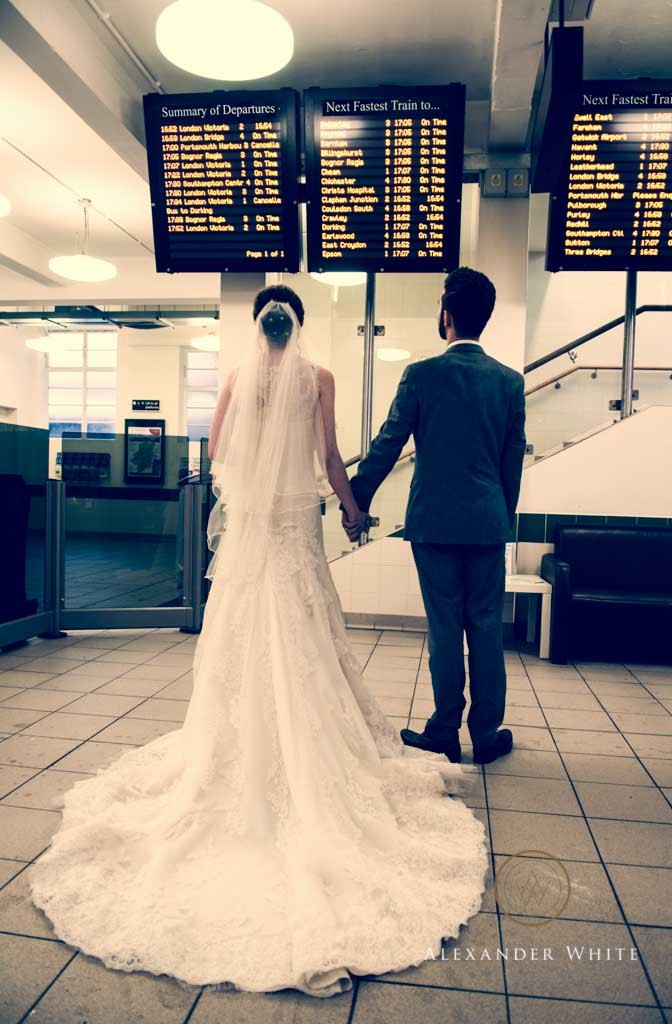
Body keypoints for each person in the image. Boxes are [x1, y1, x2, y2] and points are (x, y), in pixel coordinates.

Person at [28, 284, 488, 999]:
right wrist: (353, 509)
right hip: (296, 526)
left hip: (252, 530)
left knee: (243, 636)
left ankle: (232, 746)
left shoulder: (240, 379)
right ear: (298, 325)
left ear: (257, 326)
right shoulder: (320, 378)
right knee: (306, 634)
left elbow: (219, 451)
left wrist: (251, 486)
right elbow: (330, 458)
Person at [347, 268, 526, 766]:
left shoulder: (421, 375)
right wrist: (500, 517)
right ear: (484, 318)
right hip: (488, 524)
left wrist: (357, 500)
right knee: (486, 627)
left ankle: (444, 729)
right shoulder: (510, 383)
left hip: (434, 523)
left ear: (446, 314)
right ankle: (486, 735)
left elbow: (388, 443)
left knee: (445, 627)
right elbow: (512, 463)